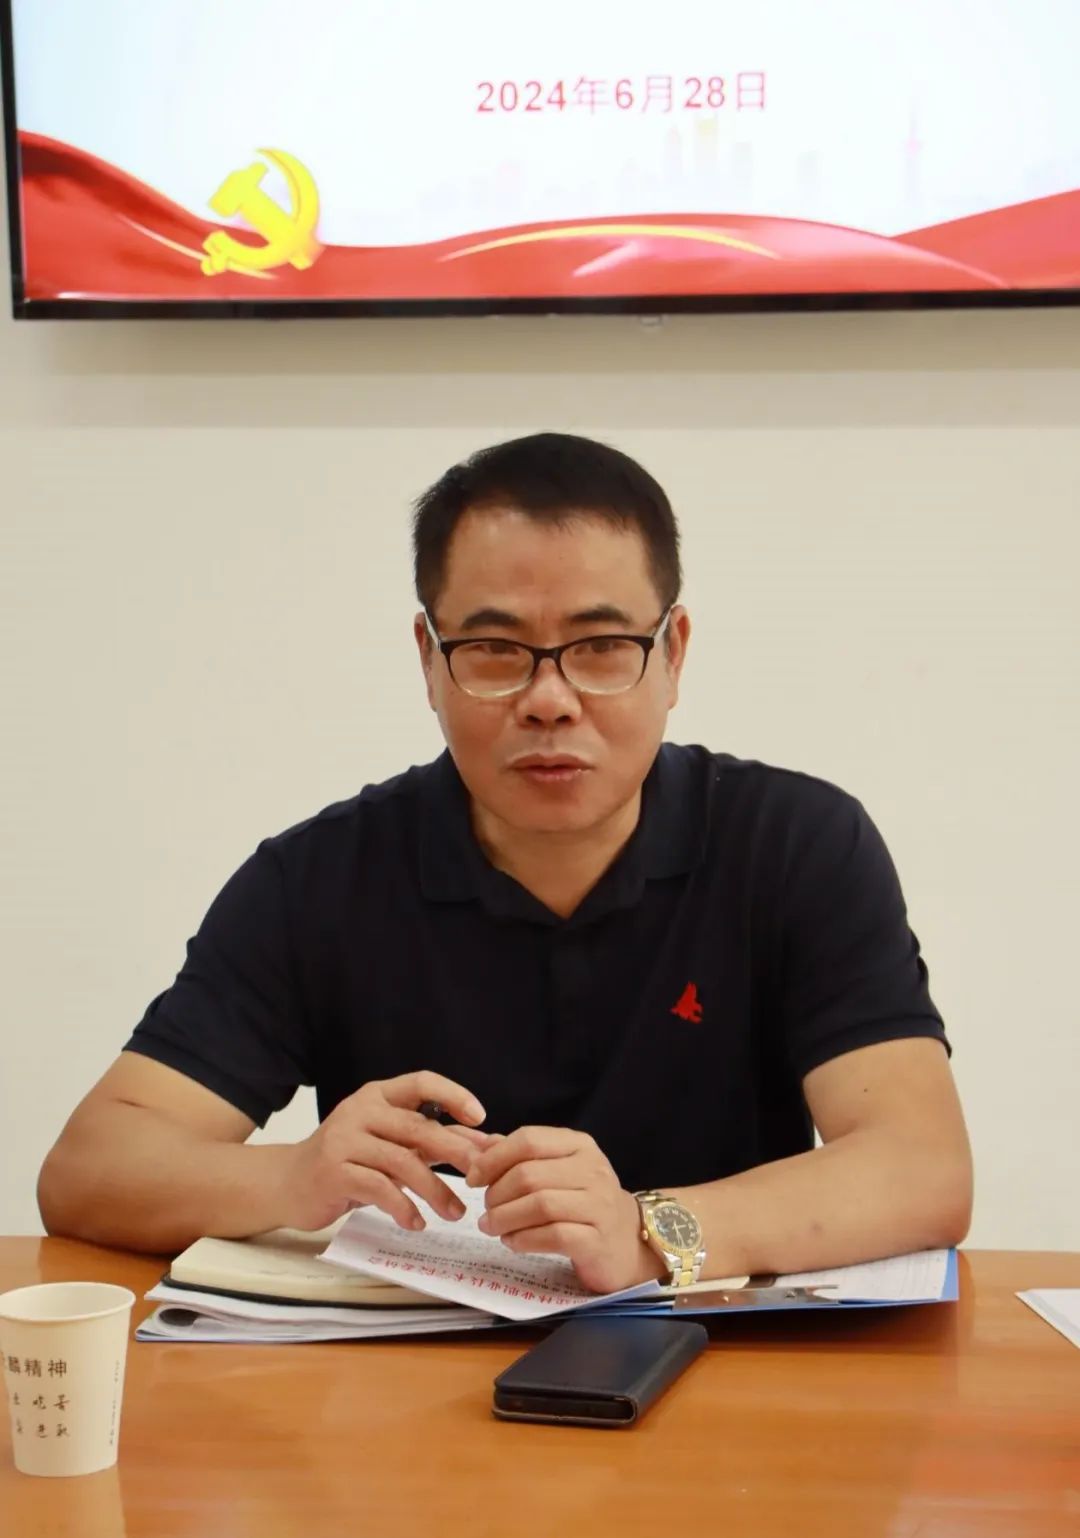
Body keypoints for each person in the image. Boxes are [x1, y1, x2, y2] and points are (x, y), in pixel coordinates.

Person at [38, 433, 972, 1292]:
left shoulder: (796, 845)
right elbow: (90, 1169)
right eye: (494, 651)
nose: (550, 699)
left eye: (601, 648)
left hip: (732, 1368)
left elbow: (921, 1166)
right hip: (409, 1386)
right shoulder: (317, 880)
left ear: (674, 653)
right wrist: (292, 1176)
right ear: (429, 659)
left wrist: (647, 1231)